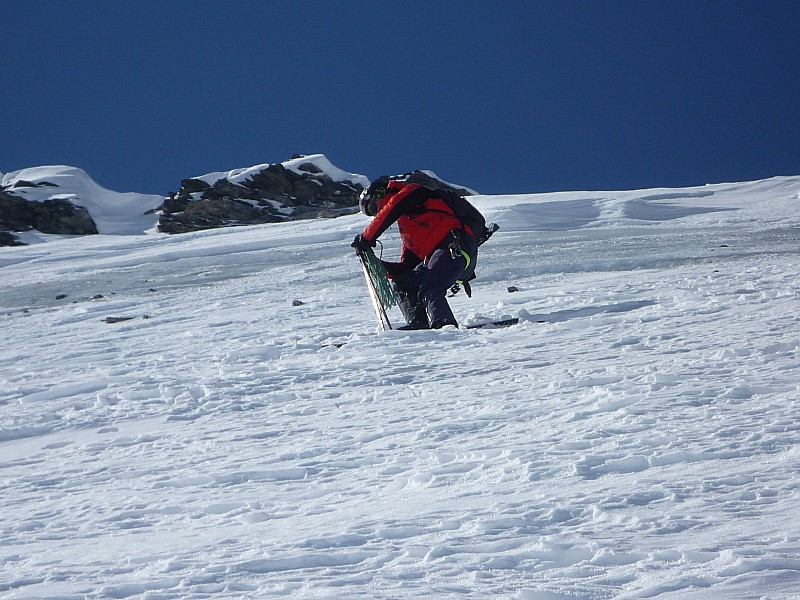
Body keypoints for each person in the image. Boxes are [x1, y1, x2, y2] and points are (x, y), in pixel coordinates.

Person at [351, 177, 478, 329]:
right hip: (438, 260)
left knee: (431, 288)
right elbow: (408, 266)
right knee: (402, 282)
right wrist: (379, 267)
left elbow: (394, 206)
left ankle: (444, 325)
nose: (377, 213)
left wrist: (366, 238)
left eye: (373, 208)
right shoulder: (409, 228)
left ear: (380, 193)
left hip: (455, 247)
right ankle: (418, 324)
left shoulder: (412, 192)